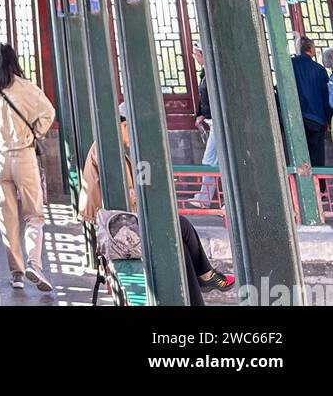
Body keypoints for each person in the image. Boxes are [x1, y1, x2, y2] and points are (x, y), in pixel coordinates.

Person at [78, 102, 234, 306]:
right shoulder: (108, 149)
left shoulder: (110, 146)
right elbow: (124, 197)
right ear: (124, 125)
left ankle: (203, 283)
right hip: (118, 231)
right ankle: (205, 275)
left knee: (181, 244)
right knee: (182, 226)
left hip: (121, 225)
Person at [0, 41, 56, 293]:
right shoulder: (25, 88)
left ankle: (17, 273)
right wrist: (35, 134)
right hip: (23, 156)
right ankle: (34, 262)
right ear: (13, 61)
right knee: (33, 214)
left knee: (7, 219)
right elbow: (48, 112)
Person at [291, 36, 332, 166]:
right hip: (317, 119)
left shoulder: (290, 64)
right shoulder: (319, 70)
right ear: (310, 49)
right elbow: (327, 98)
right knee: (316, 158)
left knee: (298, 157)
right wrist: (327, 118)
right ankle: (318, 186)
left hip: (295, 118)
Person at [190, 48, 219, 207]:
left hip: (218, 122)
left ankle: (205, 199)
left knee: (209, 160)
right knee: (213, 161)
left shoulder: (213, 72)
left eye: (196, 55)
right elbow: (205, 98)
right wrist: (201, 114)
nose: (195, 58)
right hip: (213, 120)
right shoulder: (205, 73)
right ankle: (204, 197)